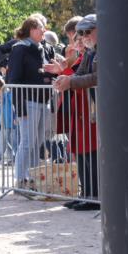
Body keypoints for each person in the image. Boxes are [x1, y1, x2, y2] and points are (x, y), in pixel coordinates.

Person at [53, 14, 100, 211]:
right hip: (89, 108)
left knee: (92, 155)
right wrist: (65, 78)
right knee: (83, 154)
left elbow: (99, 76)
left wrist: (69, 81)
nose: (83, 37)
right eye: (80, 33)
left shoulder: (105, 49)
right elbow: (81, 74)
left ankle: (95, 196)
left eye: (87, 32)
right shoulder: (90, 52)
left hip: (99, 108)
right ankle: (87, 194)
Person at [5, 16, 54, 190]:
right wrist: (20, 108)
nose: (44, 31)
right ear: (31, 29)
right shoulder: (19, 49)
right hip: (29, 101)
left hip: (43, 101)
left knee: (38, 141)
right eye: (41, 28)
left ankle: (32, 177)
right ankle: (20, 180)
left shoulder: (44, 48)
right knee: (27, 141)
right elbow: (14, 80)